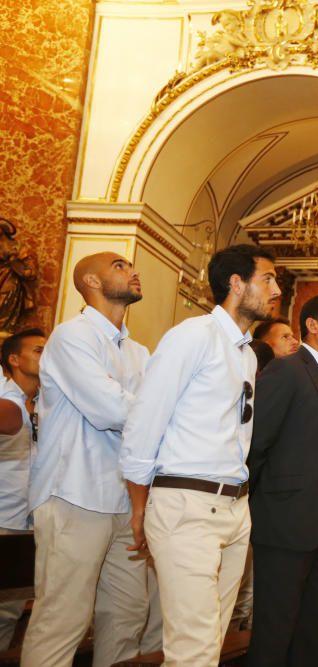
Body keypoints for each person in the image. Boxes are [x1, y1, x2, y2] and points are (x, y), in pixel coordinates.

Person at [120, 244, 281, 666]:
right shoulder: (192, 336)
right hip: (187, 502)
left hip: (234, 505)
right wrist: (139, 506)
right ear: (236, 283)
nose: (276, 289)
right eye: (267, 278)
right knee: (192, 649)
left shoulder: (245, 353)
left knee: (210, 643)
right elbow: (144, 422)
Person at [22, 253, 151, 667]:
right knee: (63, 619)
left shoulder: (138, 351)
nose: (133, 271)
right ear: (90, 281)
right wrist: (154, 410)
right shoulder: (70, 336)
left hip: (123, 499)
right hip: (73, 493)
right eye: (119, 265)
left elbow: (146, 416)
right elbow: (111, 410)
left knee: (128, 614)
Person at [245, 294, 318, 666]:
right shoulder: (287, 369)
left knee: (316, 623)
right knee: (276, 624)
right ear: (311, 325)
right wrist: (257, 503)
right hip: (286, 516)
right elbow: (258, 440)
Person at [0, 328, 44, 650]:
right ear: (14, 359)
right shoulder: (3, 396)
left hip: (28, 521)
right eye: (39, 350)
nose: (47, 356)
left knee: (9, 610)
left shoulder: (49, 402)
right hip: (0, 514)